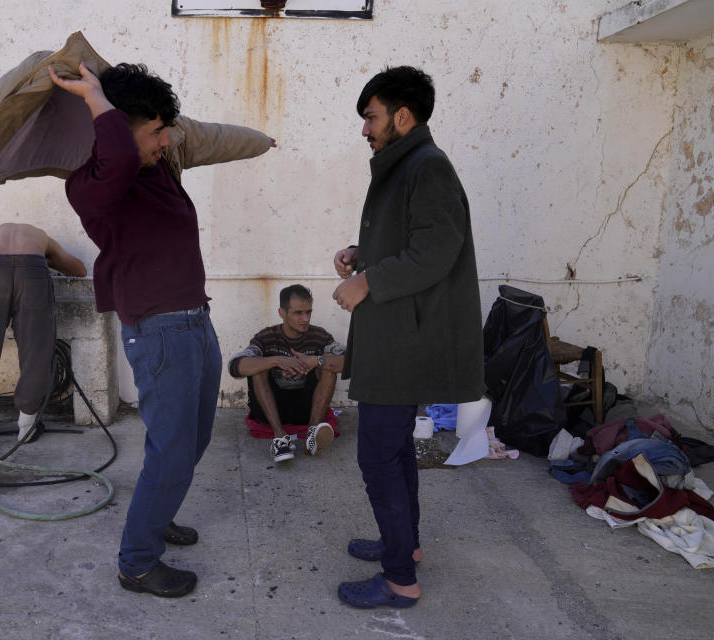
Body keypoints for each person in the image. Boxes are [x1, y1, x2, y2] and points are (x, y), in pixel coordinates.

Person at [49, 61, 275, 598]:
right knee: (172, 451)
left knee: (189, 442)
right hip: (159, 334)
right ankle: (138, 561)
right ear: (116, 127)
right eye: (153, 130)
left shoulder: (155, 171)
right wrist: (96, 98)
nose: (166, 139)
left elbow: (182, 140)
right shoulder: (94, 185)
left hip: (194, 321)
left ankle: (158, 512)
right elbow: (121, 151)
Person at [331, 66, 484, 609]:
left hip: (404, 344)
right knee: (394, 452)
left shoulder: (428, 167)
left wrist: (367, 280)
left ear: (402, 115)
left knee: (377, 456)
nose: (365, 129)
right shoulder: (407, 164)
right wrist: (361, 254)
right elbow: (410, 238)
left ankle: (399, 578)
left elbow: (435, 253)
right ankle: (405, 545)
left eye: (371, 117)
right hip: (397, 335)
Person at [0, 223, 87, 444]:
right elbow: (79, 270)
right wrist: (45, 260)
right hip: (33, 272)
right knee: (36, 351)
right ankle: (27, 427)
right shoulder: (42, 237)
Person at [228, 284, 345, 463]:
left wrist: (316, 361)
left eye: (308, 312)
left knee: (329, 365)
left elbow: (348, 362)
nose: (305, 318)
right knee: (258, 367)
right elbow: (235, 367)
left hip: (306, 409)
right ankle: (280, 438)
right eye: (298, 313)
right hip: (271, 411)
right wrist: (276, 361)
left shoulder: (320, 337)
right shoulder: (266, 337)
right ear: (282, 312)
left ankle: (312, 434)